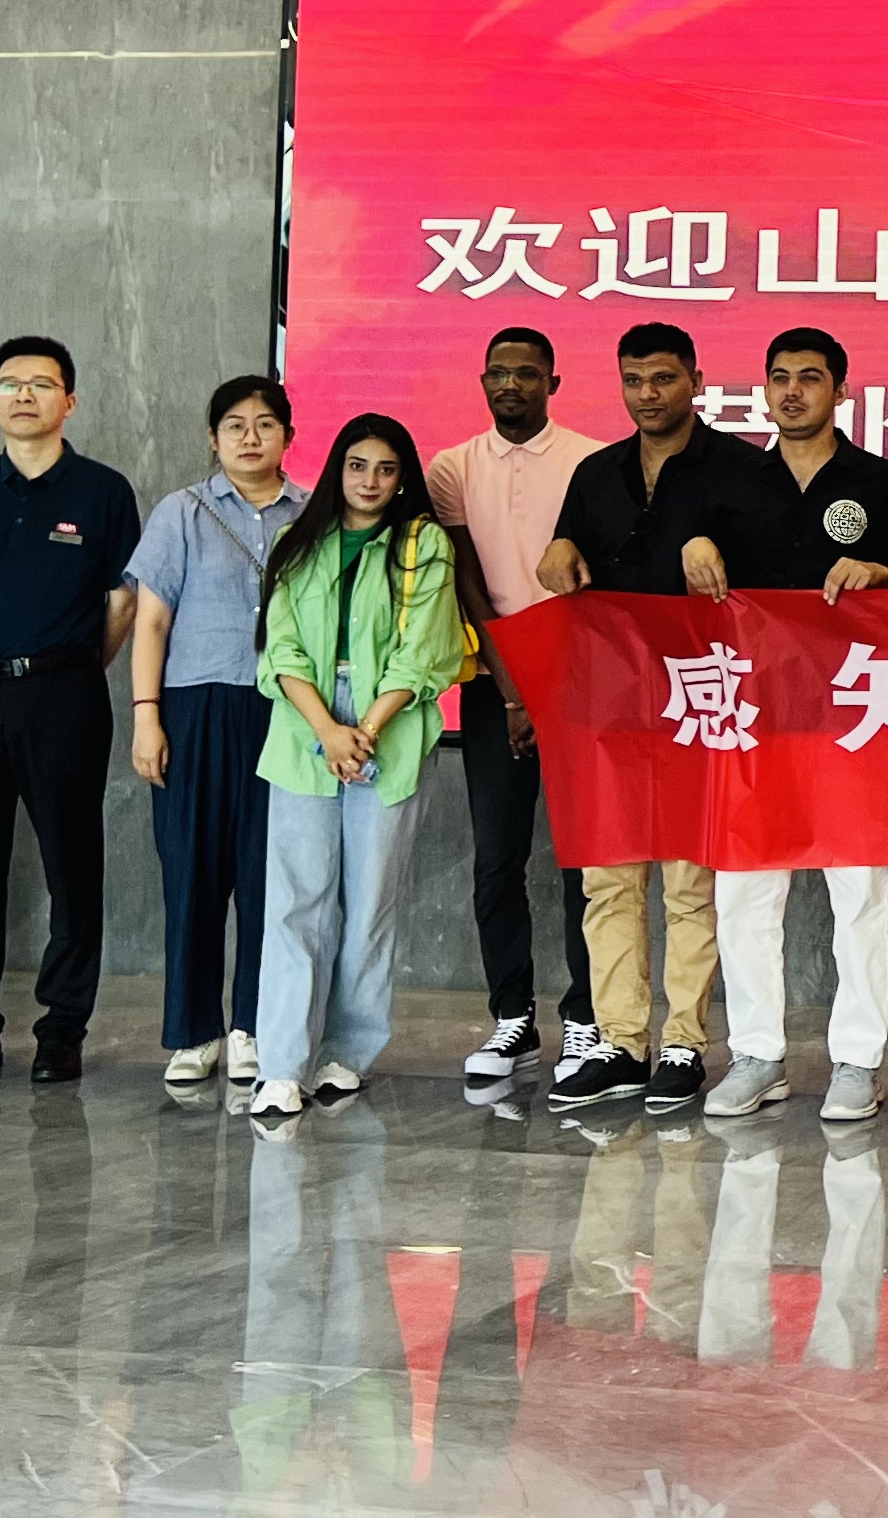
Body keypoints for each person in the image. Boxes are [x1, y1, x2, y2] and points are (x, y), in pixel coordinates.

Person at [536, 323, 767, 1111]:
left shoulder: (741, 469)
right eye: (634, 381)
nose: (648, 395)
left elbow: (775, 586)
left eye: (663, 379)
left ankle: (684, 1043)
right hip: (610, 703)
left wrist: (720, 557)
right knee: (608, 881)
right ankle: (621, 1041)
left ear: (696, 381)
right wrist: (557, 552)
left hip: (702, 698)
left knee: (688, 883)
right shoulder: (596, 472)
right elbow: (568, 555)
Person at [705, 327, 888, 1126]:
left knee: (859, 889)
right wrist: (693, 543)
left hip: (854, 712)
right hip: (753, 712)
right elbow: (689, 572)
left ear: (840, 390)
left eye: (809, 377)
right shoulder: (729, 481)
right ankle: (757, 1054)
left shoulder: (875, 480)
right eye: (780, 378)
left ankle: (857, 1061)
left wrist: (880, 571)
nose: (792, 391)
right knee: (745, 890)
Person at [0, 335, 142, 1087]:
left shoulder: (102, 491)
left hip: (64, 693)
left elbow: (119, 602)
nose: (23, 396)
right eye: (9, 383)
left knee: (71, 864)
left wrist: (65, 664)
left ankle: (62, 1028)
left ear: (68, 401)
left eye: (41, 384)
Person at [243, 415, 464, 1118]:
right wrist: (326, 729)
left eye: (386, 469)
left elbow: (424, 653)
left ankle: (347, 1052)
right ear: (337, 469)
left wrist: (362, 732)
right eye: (357, 466)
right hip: (304, 725)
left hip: (387, 729)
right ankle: (281, 1066)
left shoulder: (423, 544)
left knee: (370, 903)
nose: (370, 481)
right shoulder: (296, 540)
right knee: (295, 904)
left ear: (403, 479)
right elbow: (279, 648)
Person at [425, 325, 606, 1092]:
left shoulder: (592, 463)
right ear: (482, 381)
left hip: (578, 683)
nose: (511, 384)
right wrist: (509, 690)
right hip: (493, 681)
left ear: (552, 383)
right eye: (498, 372)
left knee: (583, 861)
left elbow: (593, 586)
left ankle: (588, 1018)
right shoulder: (452, 467)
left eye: (527, 373)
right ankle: (512, 1018)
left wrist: (545, 689)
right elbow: (466, 582)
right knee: (497, 857)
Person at [124, 376, 304, 1088]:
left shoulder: (312, 514)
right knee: (191, 871)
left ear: (288, 435)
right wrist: (146, 715)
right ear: (213, 437)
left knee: (268, 878)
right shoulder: (182, 512)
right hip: (193, 709)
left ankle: (252, 1026)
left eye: (265, 424)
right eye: (234, 425)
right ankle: (193, 1031)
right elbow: (151, 622)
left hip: (283, 710)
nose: (250, 437)